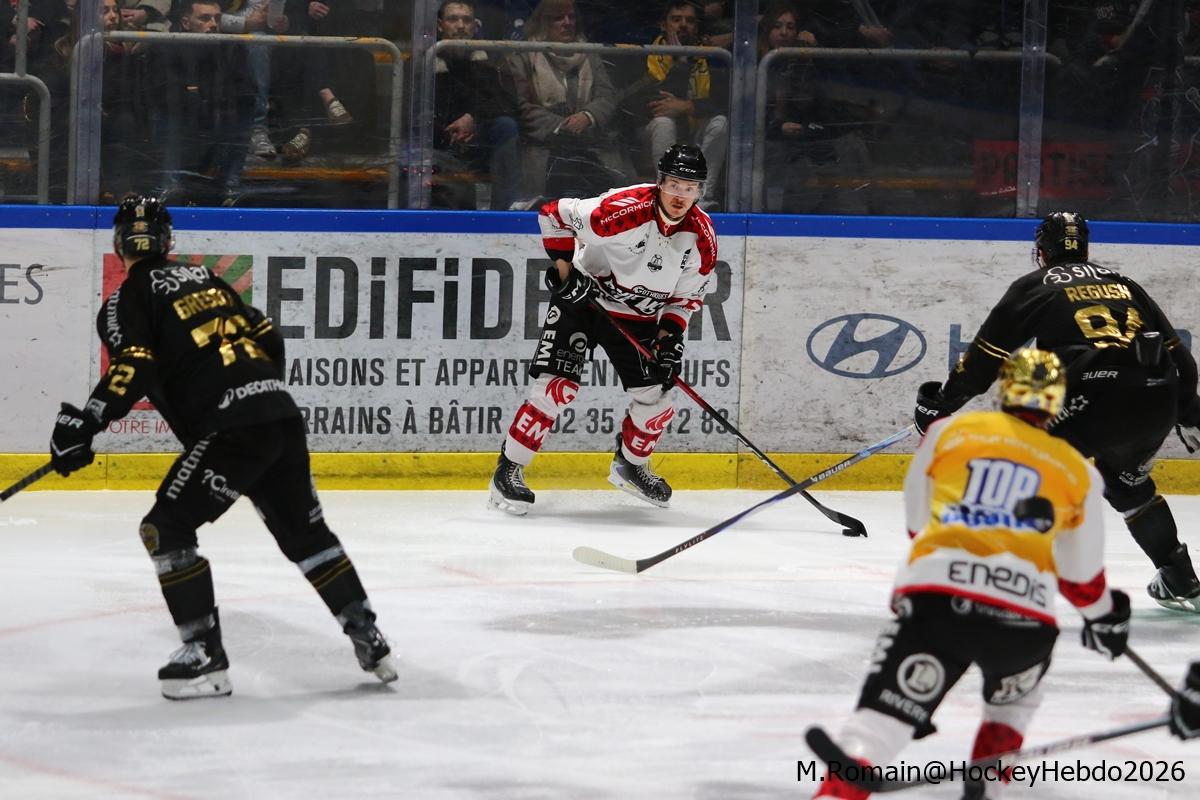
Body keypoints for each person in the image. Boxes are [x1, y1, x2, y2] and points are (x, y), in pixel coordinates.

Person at [47, 196, 397, 699]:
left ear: (119, 244)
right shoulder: (207, 279)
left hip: (233, 429)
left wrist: (89, 420)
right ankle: (369, 637)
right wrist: (255, 393)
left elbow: (136, 363)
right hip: (278, 415)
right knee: (306, 535)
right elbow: (269, 339)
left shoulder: (125, 299)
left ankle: (202, 653)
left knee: (166, 529)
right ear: (168, 241)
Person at [817, 348, 1132, 800]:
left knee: (879, 725)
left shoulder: (948, 431)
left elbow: (917, 523)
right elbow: (1080, 577)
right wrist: (1106, 617)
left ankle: (851, 773)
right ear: (1057, 401)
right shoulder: (1078, 470)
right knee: (1015, 704)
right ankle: (990, 778)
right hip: (1023, 623)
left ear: (1004, 388)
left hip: (936, 606)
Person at [915, 211, 1200, 614]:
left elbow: (985, 359)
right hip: (1156, 398)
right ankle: (1180, 576)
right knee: (1128, 487)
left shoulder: (1034, 286)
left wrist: (941, 404)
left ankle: (990, 584)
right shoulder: (1125, 284)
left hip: (1092, 395)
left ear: (1042, 252)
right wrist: (1188, 412)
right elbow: (1182, 360)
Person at [489, 144, 717, 515]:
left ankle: (630, 466)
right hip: (584, 302)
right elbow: (553, 214)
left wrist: (668, 341)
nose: (680, 196)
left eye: (689, 188)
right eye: (674, 184)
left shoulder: (701, 238)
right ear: (660, 182)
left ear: (699, 192)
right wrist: (565, 275)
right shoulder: (621, 209)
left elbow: (685, 298)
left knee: (657, 398)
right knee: (555, 388)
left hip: (638, 317)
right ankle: (508, 469)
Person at [507, 0, 634, 198]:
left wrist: (587, 116)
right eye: (558, 18)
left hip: (592, 141)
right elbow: (521, 105)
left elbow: (607, 96)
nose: (567, 23)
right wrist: (561, 126)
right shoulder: (524, 55)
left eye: (572, 17)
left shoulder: (590, 53)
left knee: (616, 195)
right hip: (545, 143)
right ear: (544, 22)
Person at [629, 0, 728, 209]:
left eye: (690, 21)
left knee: (720, 123)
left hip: (693, 131)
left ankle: (701, 196)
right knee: (664, 123)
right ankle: (667, 194)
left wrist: (688, 106)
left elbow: (721, 101)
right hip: (652, 135)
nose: (683, 25)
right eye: (676, 20)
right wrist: (681, 63)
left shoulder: (712, 56)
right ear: (663, 25)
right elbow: (652, 103)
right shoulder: (645, 54)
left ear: (697, 27)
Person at [432, 0, 523, 210]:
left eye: (466, 20)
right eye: (453, 19)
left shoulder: (489, 60)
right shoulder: (424, 60)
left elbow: (506, 102)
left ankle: (510, 206)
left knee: (506, 126)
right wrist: (449, 131)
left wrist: (472, 119)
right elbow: (417, 113)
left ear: (475, 26)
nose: (460, 26)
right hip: (440, 143)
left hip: (478, 140)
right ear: (440, 25)